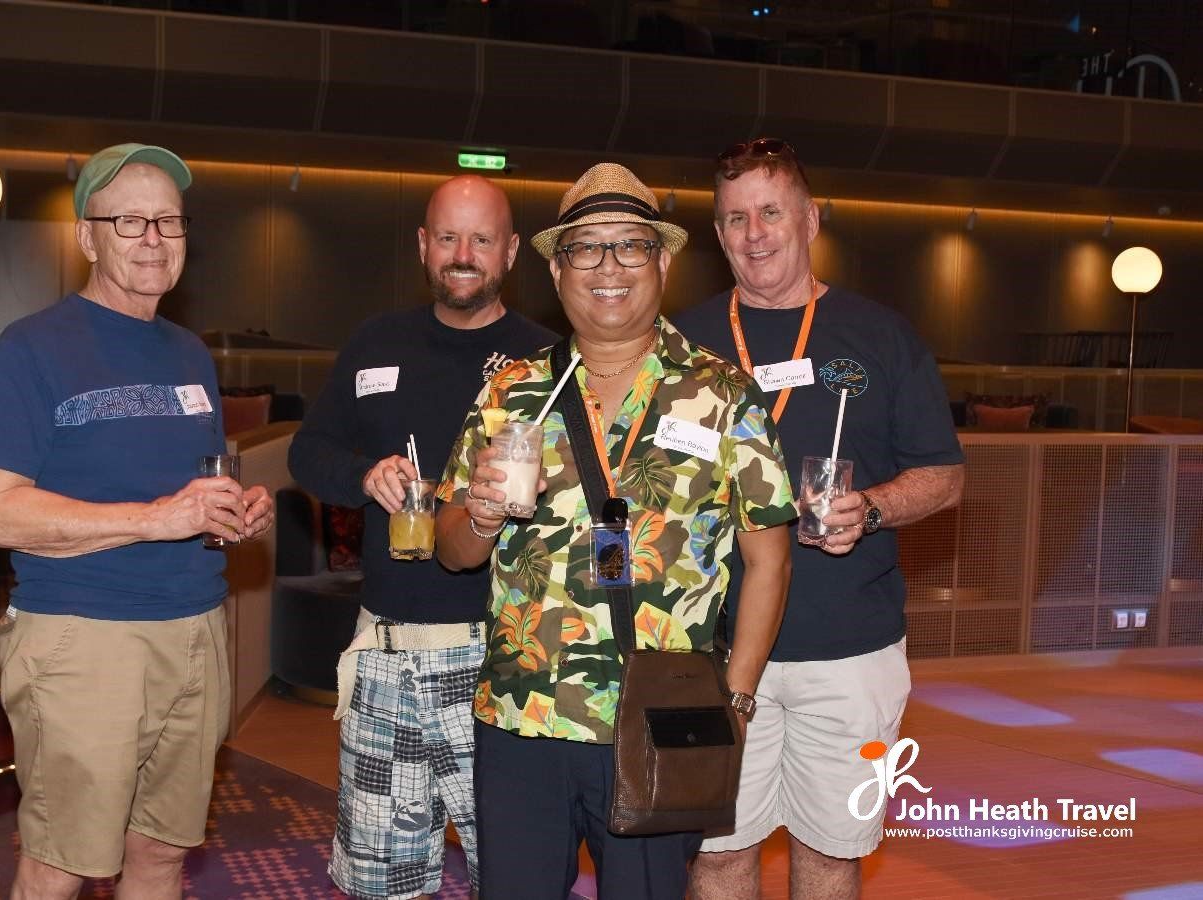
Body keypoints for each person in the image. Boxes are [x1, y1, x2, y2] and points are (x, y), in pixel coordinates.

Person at [434, 163, 797, 899]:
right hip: (521, 716)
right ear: (557, 269)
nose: (609, 268)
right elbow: (451, 550)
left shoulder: (720, 394)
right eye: (585, 249)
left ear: (660, 262)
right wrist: (476, 514)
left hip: (659, 721)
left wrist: (736, 699)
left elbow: (769, 561)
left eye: (630, 246)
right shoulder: (511, 391)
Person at [0, 143, 275, 900]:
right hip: (84, 640)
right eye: (128, 220)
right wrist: (157, 519)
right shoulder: (34, 346)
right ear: (86, 237)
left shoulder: (189, 352)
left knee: (162, 856)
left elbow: (184, 492)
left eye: (168, 221)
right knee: (62, 863)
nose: (153, 239)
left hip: (197, 632)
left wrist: (230, 512)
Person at [675, 138, 965, 900]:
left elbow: (943, 477)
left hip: (850, 653)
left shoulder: (880, 336)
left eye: (771, 212)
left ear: (810, 219)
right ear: (717, 232)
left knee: (832, 853)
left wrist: (869, 508)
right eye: (735, 218)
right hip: (712, 650)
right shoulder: (680, 343)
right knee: (714, 853)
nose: (755, 233)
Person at [287, 174, 556, 899]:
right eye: (446, 237)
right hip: (384, 656)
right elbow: (307, 451)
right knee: (381, 884)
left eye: (479, 239)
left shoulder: (546, 363)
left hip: (500, 661)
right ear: (422, 245)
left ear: (507, 253)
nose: (461, 254)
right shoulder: (376, 343)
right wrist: (361, 474)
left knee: (514, 878)